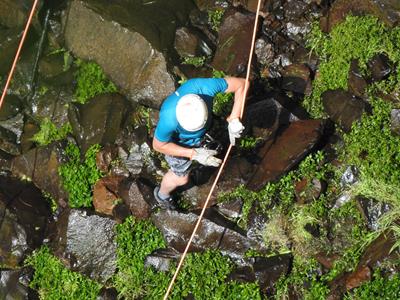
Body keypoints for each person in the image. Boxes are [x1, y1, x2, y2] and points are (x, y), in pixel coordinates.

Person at [152, 77, 248, 209]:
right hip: (179, 143)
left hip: (208, 127)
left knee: (219, 137)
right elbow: (158, 145)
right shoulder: (169, 119)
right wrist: (193, 154)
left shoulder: (203, 87)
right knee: (181, 178)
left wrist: (234, 118)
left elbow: (242, 84)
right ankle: (162, 195)